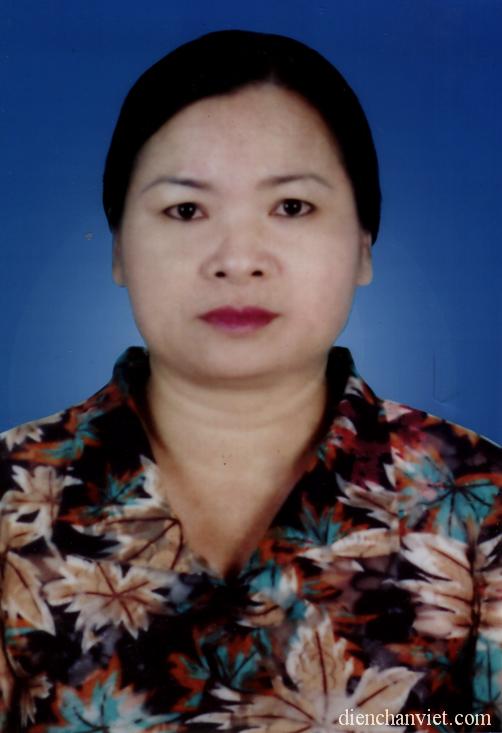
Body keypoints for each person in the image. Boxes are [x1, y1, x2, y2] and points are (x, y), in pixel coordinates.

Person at [0, 28, 501, 732]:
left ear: (364, 244)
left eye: (291, 206)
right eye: (185, 210)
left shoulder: (481, 504)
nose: (238, 259)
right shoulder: (13, 496)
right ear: (118, 249)